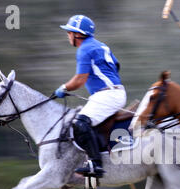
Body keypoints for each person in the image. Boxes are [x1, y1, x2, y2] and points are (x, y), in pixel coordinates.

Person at [54, 15, 126, 177]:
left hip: (108, 95)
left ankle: (95, 164)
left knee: (80, 123)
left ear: (77, 34)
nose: (68, 36)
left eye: (69, 32)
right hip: (112, 92)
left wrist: (64, 88)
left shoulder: (84, 49)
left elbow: (79, 80)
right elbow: (116, 66)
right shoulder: (100, 45)